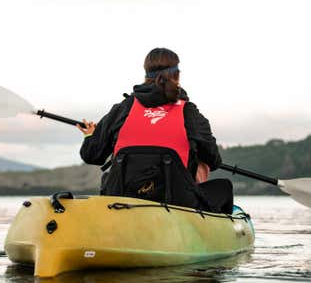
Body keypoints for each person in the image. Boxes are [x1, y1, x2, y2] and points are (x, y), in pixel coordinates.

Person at [77, 47, 234, 214]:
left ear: (145, 74)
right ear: (177, 75)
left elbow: (91, 155)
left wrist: (91, 136)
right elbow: (214, 160)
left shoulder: (124, 108)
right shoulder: (188, 112)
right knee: (224, 187)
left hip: (121, 200)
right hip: (177, 204)